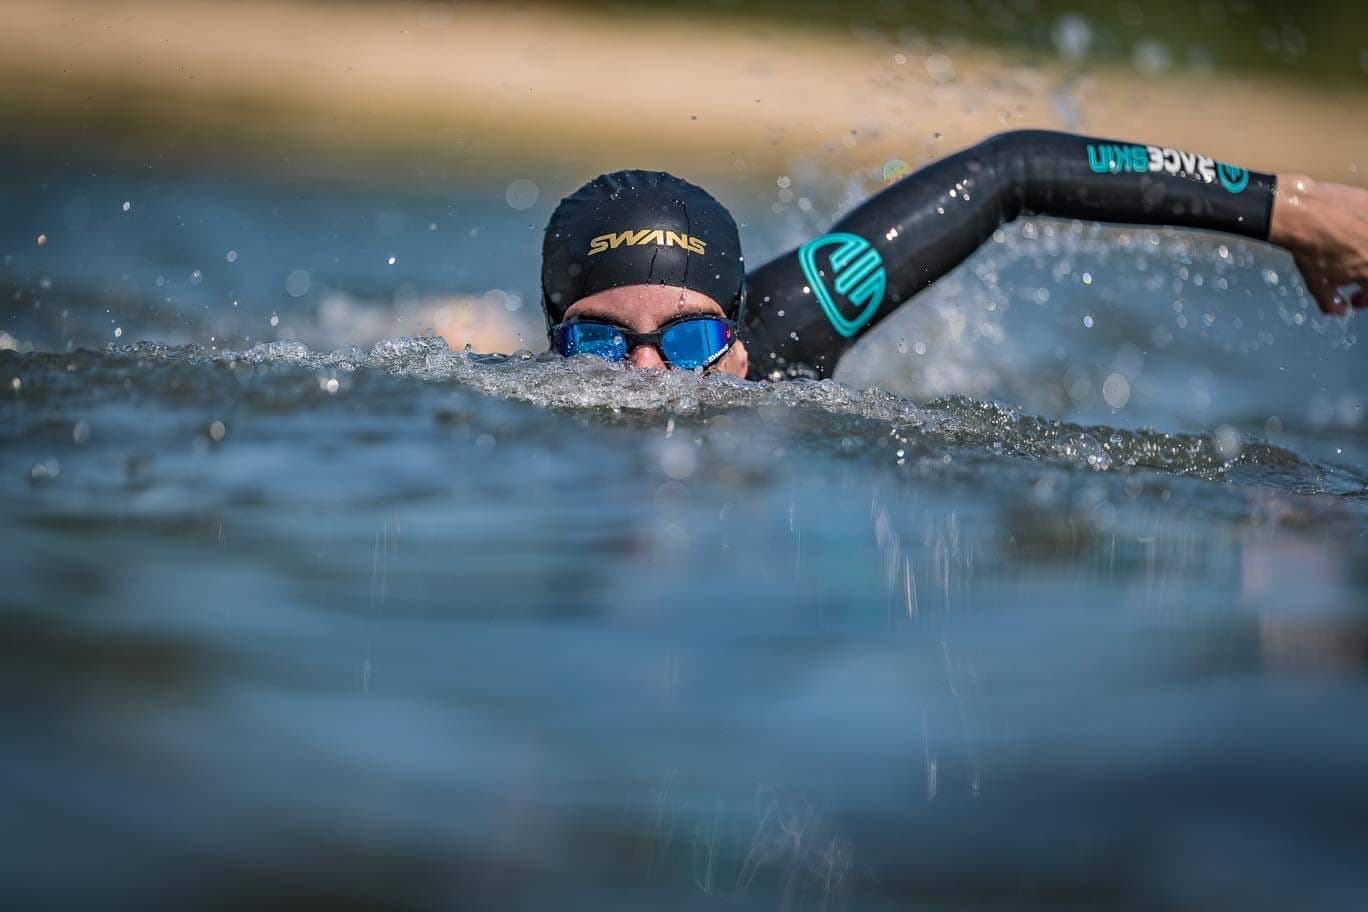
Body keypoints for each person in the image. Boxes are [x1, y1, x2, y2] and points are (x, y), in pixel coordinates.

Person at [540, 129, 1367, 381]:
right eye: (601, 342)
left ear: (742, 330)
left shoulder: (792, 326)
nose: (643, 379)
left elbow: (1009, 172)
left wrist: (1295, 211)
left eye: (687, 342)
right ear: (553, 341)